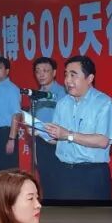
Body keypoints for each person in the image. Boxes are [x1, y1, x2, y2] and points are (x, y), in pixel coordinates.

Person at [44, 56, 112, 201]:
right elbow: (57, 139)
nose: (67, 80)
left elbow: (103, 141)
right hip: (63, 173)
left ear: (89, 78)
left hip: (91, 175)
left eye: (73, 75)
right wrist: (40, 131)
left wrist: (68, 135)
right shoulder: (62, 103)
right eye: (66, 75)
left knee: (93, 216)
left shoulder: (104, 103)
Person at [25, 57, 67, 196]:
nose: (41, 74)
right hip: (41, 143)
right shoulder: (36, 95)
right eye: (37, 71)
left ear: (54, 73)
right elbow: (32, 119)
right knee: (45, 182)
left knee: (59, 184)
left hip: (59, 143)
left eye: (45, 71)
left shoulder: (63, 93)